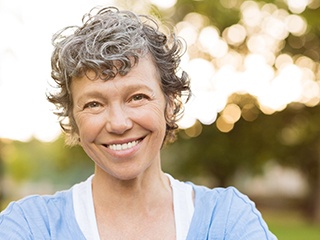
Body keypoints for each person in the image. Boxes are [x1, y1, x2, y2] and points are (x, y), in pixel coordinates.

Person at [0, 6, 277, 239]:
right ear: (73, 118)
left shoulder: (228, 220)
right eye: (94, 104)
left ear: (170, 103)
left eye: (137, 97)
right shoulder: (31, 227)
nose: (118, 124)